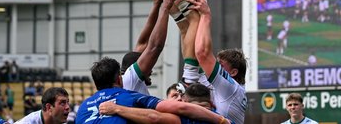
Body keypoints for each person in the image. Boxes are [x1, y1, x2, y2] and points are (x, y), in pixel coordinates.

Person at [75, 57, 229, 124]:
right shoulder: (129, 97)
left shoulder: (82, 109)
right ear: (119, 79)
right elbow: (176, 110)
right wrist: (221, 120)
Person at [187, 0, 248, 124]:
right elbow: (190, 62)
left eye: (220, 65)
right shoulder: (218, 85)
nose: (215, 66)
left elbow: (202, 54)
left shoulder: (232, 89)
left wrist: (206, 15)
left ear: (233, 72)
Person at [121, 0, 179, 95]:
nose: (151, 70)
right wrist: (165, 8)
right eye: (149, 67)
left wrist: (156, 5)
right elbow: (155, 46)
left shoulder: (130, 80)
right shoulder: (129, 83)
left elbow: (143, 42)